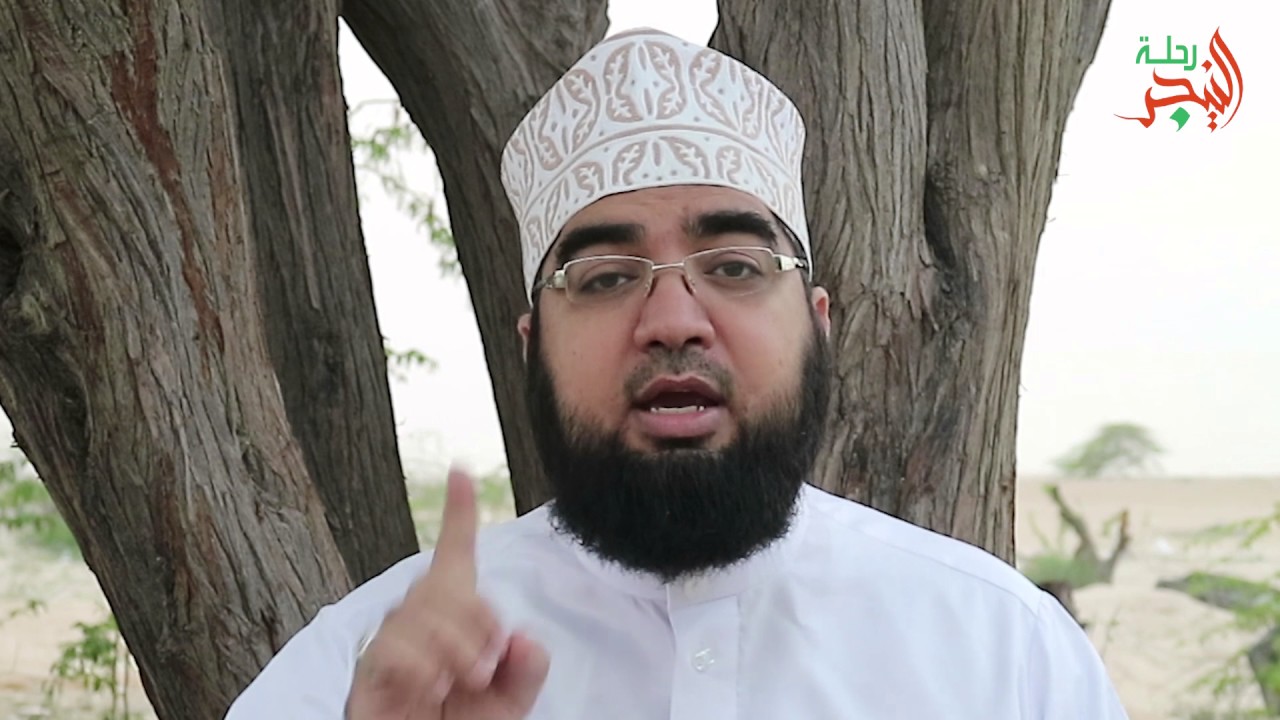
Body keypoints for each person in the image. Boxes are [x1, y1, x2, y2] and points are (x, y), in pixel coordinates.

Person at [226, 28, 1129, 719]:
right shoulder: (356, 670)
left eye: (734, 266)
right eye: (605, 279)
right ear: (533, 346)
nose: (671, 320)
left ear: (818, 326)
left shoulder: (1002, 652)